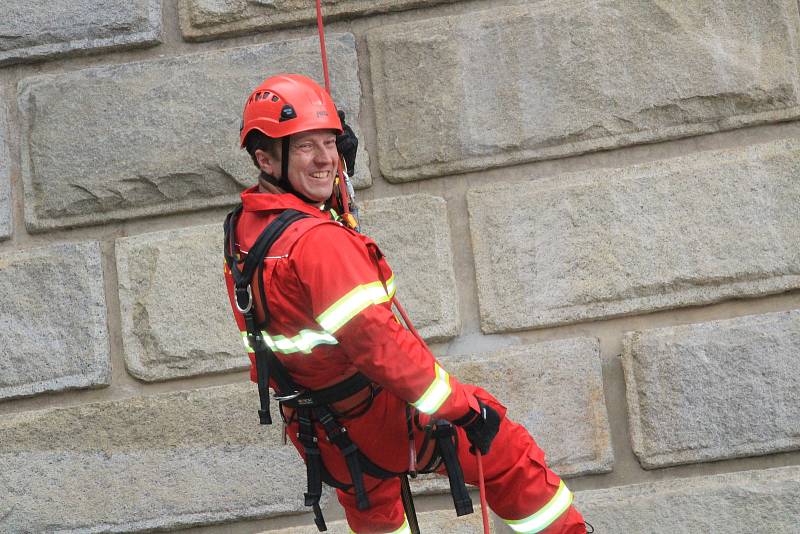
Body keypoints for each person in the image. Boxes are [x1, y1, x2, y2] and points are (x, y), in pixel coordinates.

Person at [223, 73, 588, 534]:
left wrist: (324, 196)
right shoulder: (318, 243)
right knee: (504, 450)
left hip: (318, 424)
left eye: (330, 143)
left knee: (376, 517)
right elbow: (382, 347)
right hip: (374, 416)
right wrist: (463, 409)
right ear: (265, 158)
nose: (325, 159)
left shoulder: (244, 231)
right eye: (304, 147)